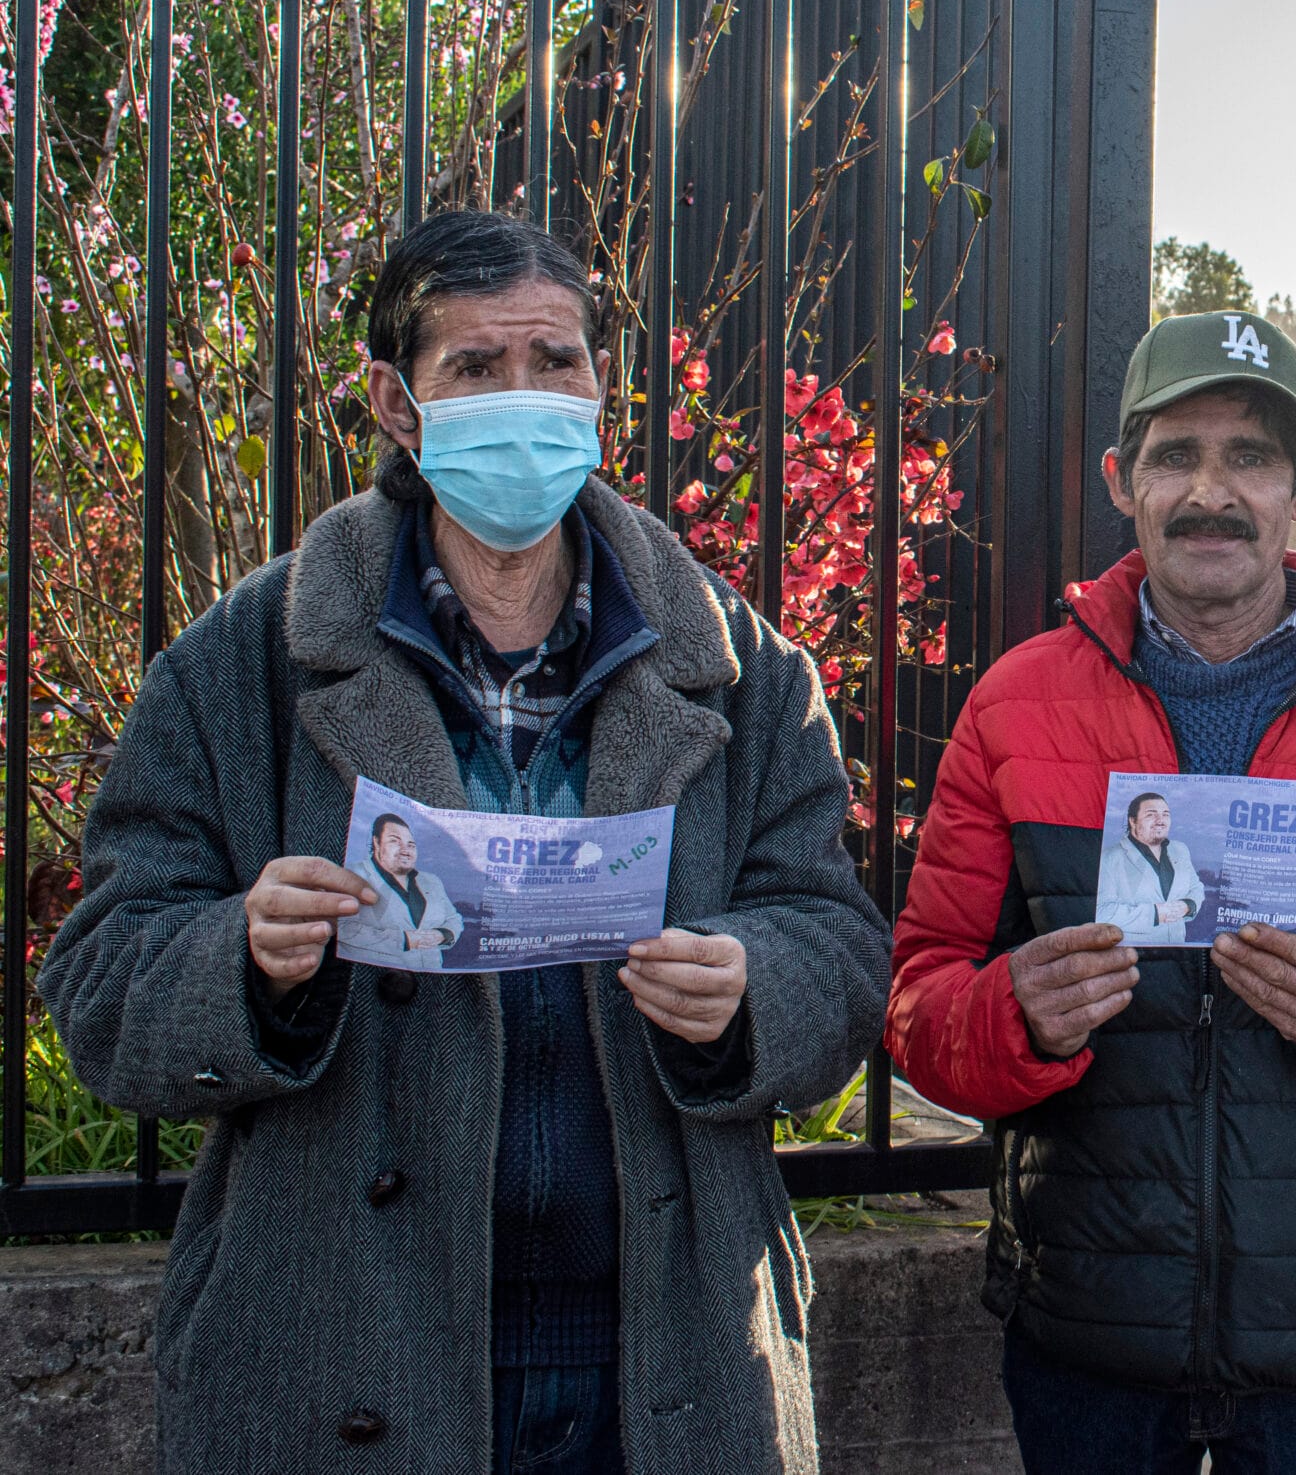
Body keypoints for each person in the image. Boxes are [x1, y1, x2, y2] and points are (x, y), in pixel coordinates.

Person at [39, 209, 890, 1475]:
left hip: (665, 1350)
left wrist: (752, 985)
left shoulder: (743, 667)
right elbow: (99, 979)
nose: (525, 399)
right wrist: (243, 958)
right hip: (338, 1348)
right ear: (395, 403)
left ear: (603, 387)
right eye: (475, 370)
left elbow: (838, 944)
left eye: (556, 362)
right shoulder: (241, 662)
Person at [886, 309, 1296, 1474]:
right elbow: (917, 999)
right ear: (1121, 480)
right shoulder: (1014, 705)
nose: (1212, 491)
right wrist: (1011, 1016)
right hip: (1084, 1329)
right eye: (1175, 455)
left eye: (1249, 456)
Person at [340, 811, 465, 970]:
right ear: (377, 843)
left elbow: (454, 918)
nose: (405, 850)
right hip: (373, 981)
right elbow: (343, 928)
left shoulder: (431, 881)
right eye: (395, 841)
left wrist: (443, 935)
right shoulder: (353, 874)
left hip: (433, 982)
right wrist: (404, 939)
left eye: (410, 844)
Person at [1095, 791, 1204, 945]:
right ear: (1133, 821)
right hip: (1135, 958)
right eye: (1151, 815)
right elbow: (1101, 912)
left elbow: (1196, 887)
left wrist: (1188, 906)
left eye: (1166, 814)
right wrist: (1155, 914)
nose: (1161, 820)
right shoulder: (1109, 858)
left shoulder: (1180, 850)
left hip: (1179, 954)